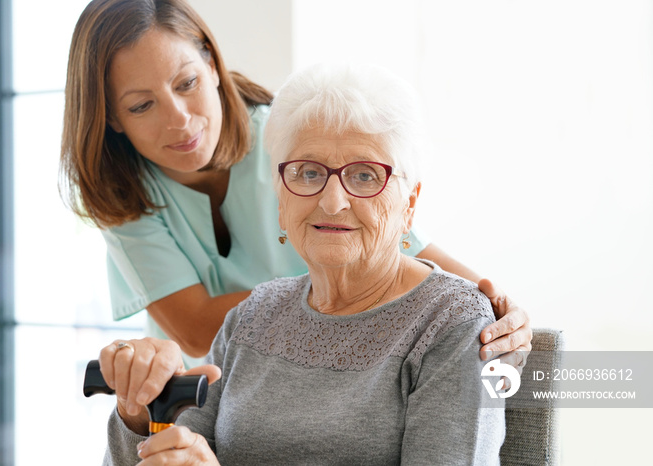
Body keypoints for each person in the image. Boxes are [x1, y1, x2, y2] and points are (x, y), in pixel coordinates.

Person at [60, 0, 531, 370]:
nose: (179, 120)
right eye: (142, 106)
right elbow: (197, 331)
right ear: (112, 118)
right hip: (203, 397)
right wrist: (337, 283)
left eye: (186, 83)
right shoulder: (116, 192)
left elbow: (395, 241)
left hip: (314, 366)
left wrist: (497, 305)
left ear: (209, 59)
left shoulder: (291, 141)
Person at [99, 63, 506, 465]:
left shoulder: (455, 323)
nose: (332, 202)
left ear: (409, 204)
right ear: (281, 200)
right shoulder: (252, 316)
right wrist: (136, 415)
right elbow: (170, 452)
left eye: (365, 176)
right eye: (309, 172)